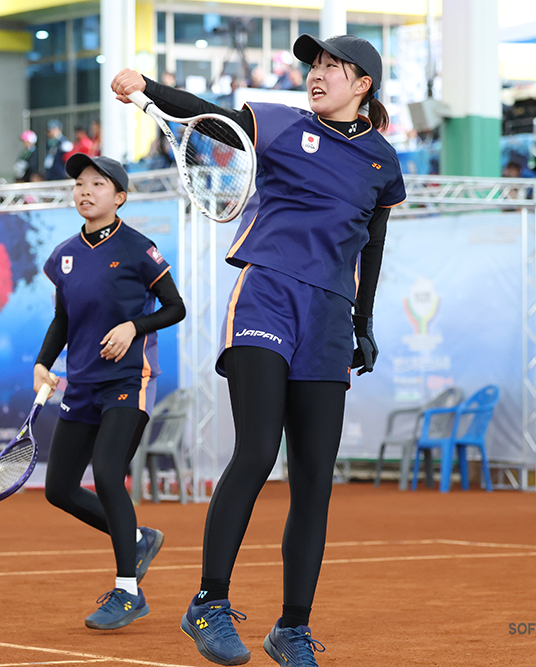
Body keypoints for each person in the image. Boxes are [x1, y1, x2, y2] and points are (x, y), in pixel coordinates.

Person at [112, 32, 405, 667]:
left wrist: (363, 321)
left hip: (329, 317)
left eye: (333, 67)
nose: (318, 74)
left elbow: (373, 244)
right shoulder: (276, 123)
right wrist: (146, 90)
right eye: (314, 65)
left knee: (315, 482)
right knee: (257, 450)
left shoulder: (383, 161)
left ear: (363, 85)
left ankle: (292, 629)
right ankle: (209, 603)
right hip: (267, 296)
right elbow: (206, 116)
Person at [36, 154, 186, 631]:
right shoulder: (63, 256)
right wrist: (42, 364)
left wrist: (133, 326)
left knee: (106, 473)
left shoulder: (139, 248)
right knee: (59, 490)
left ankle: (128, 592)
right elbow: (62, 319)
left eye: (97, 184)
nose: (85, 191)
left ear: (119, 197)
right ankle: (139, 540)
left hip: (127, 380)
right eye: (80, 183)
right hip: (81, 384)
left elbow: (175, 307)